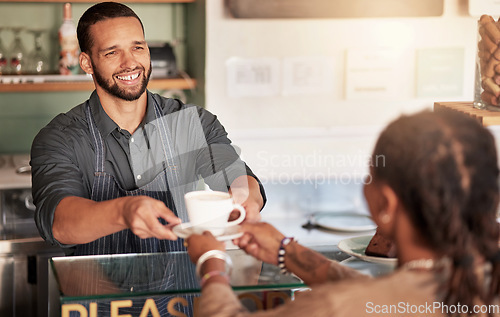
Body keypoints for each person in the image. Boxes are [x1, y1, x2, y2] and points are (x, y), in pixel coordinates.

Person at [186, 110, 500, 317]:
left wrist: (212, 266)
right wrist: (290, 253)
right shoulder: (476, 284)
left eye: (371, 176)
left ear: (386, 204)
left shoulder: (333, 308)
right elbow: (388, 300)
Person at [30, 1, 265, 257]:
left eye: (138, 47)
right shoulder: (59, 138)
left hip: (181, 294)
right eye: (112, 52)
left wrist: (244, 198)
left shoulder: (192, 123)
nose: (130, 63)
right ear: (86, 63)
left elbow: (238, 177)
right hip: (98, 294)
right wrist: (124, 211)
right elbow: (59, 223)